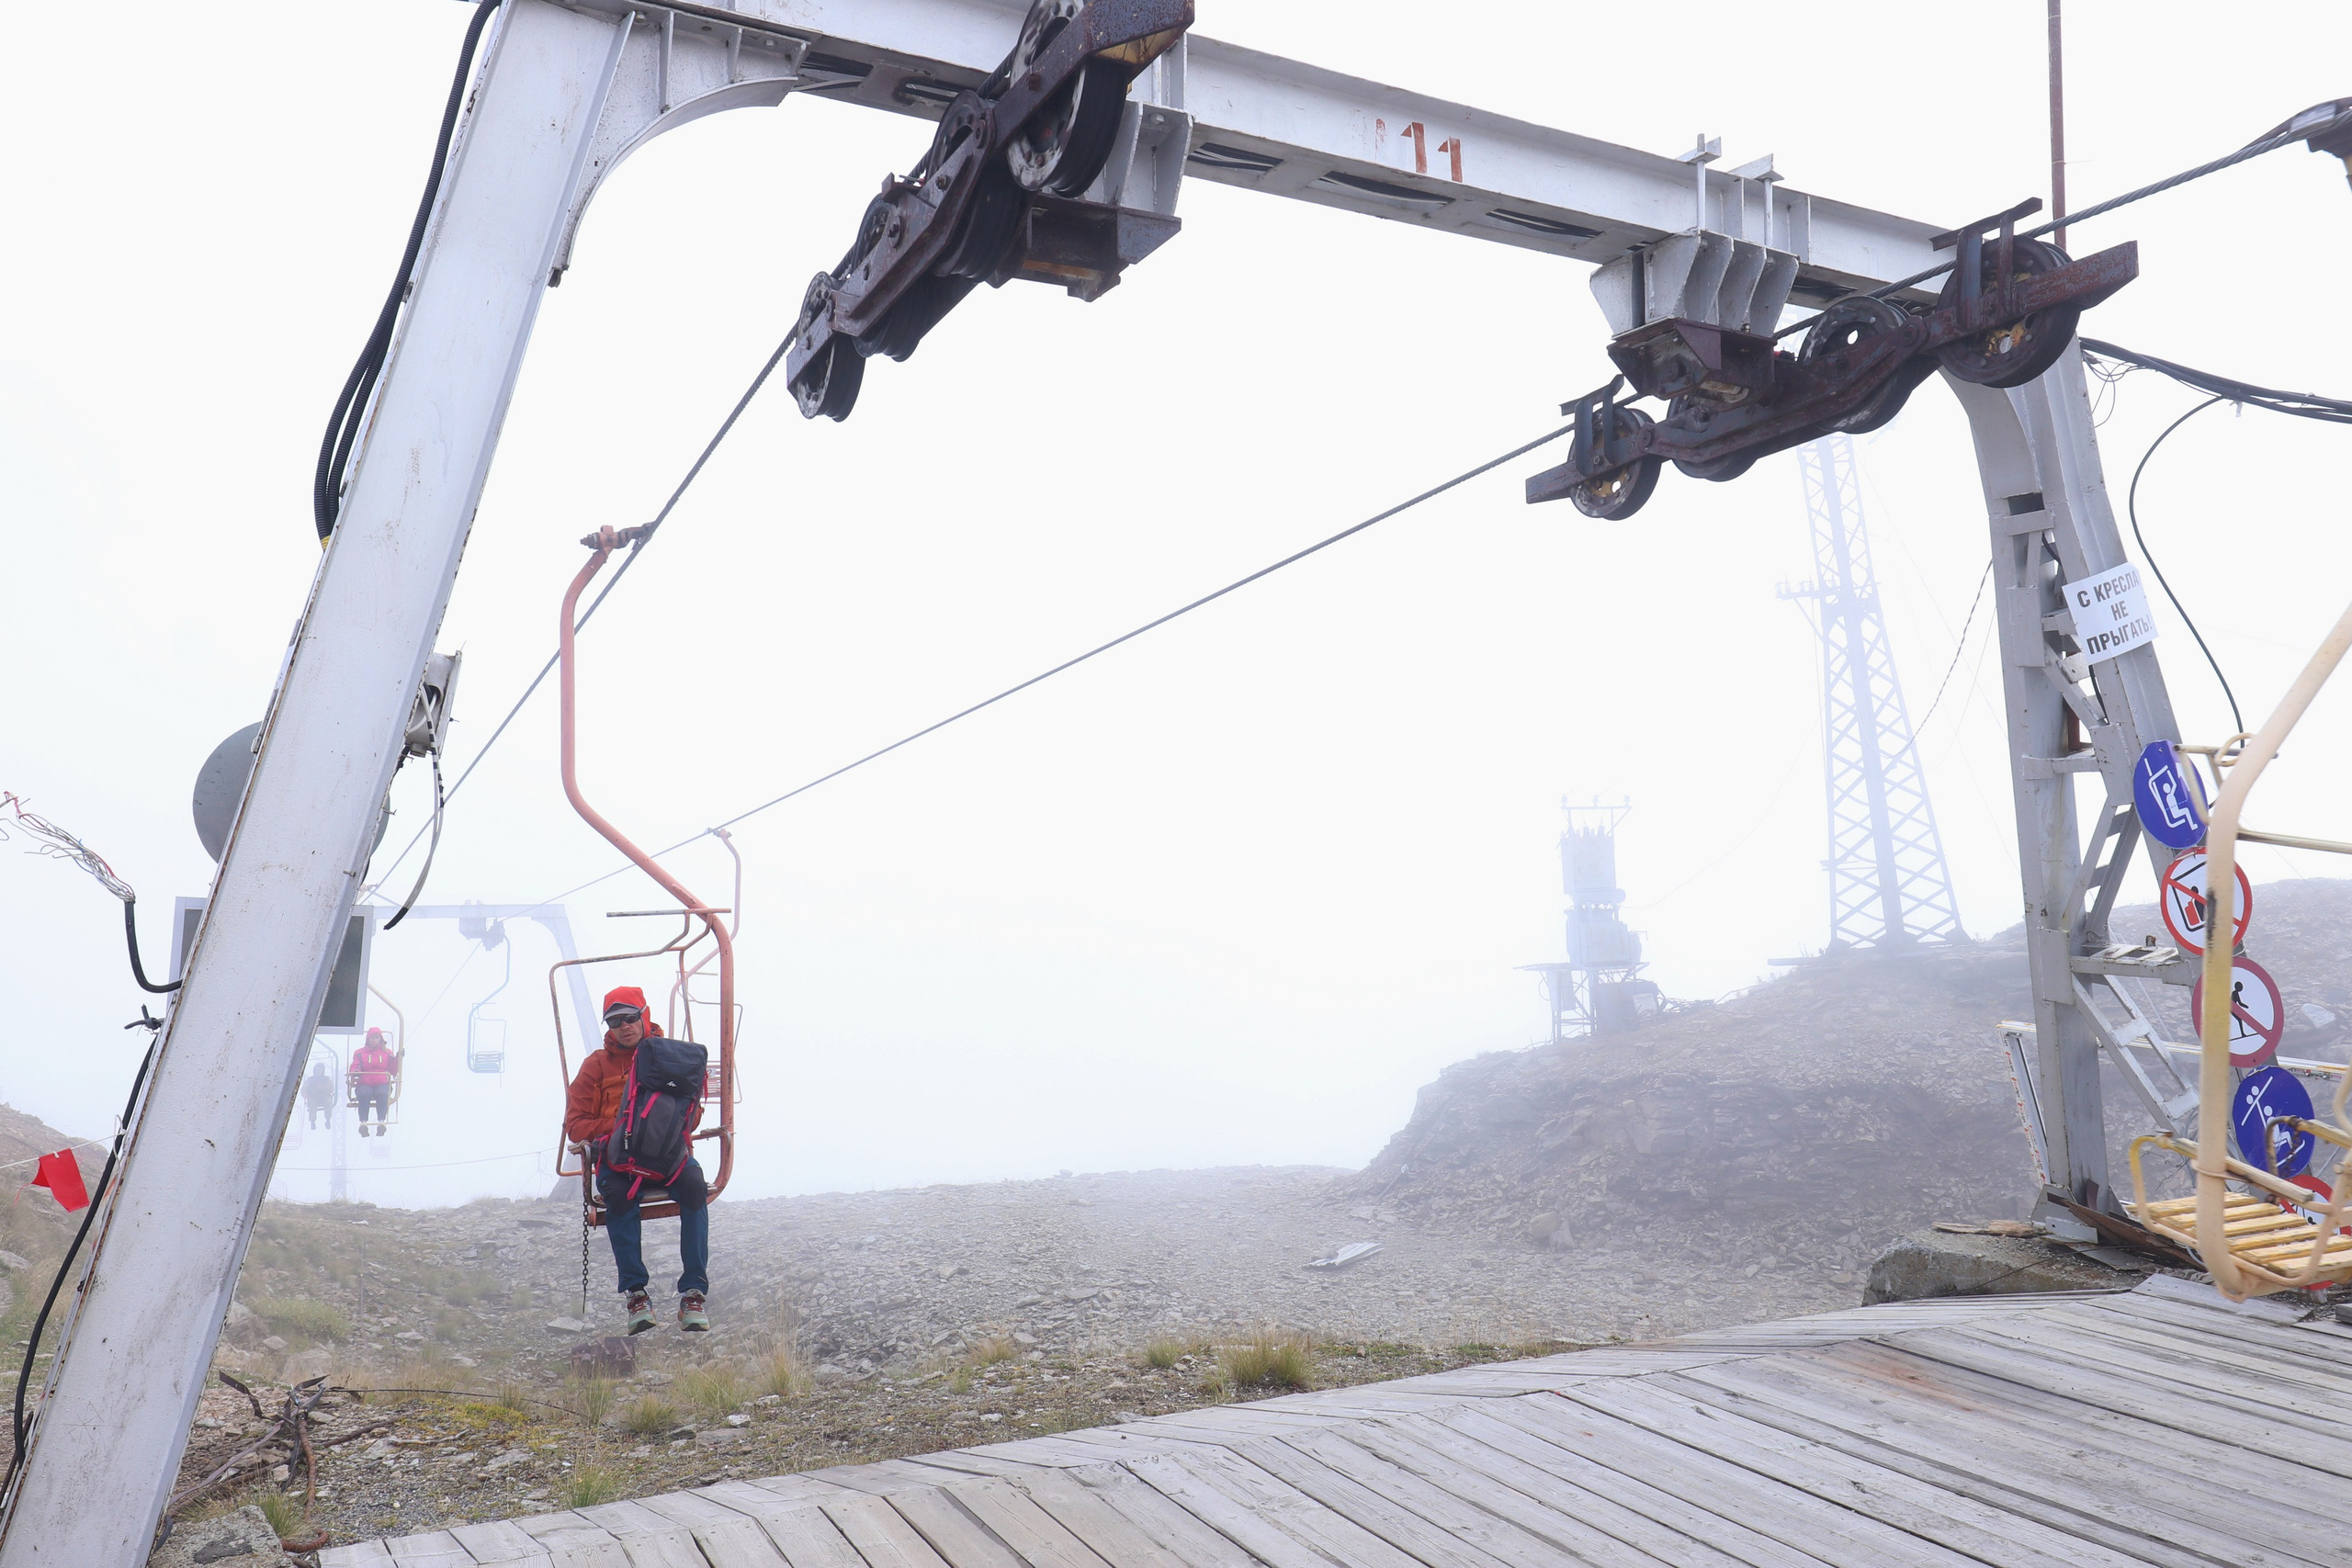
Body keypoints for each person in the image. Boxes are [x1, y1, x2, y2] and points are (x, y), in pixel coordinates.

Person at [564, 985, 709, 1334]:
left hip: (666, 1156)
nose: (624, 1026)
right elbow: (575, 1125)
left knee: (693, 1187)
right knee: (617, 1196)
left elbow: (693, 1113)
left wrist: (660, 1125)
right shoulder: (595, 1067)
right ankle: (636, 1293)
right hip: (618, 1160)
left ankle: (693, 1292)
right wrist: (623, 1128)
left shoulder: (671, 1055)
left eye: (630, 1017)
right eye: (615, 1021)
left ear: (644, 1015)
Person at [349, 1027, 400, 1137]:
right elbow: (355, 1065)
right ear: (368, 1039)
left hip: (382, 1081)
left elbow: (393, 1069)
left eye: (376, 1038)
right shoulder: (360, 1053)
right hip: (365, 1082)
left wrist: (398, 1059)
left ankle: (381, 1121)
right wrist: (355, 1071)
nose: (374, 1040)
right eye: (372, 1038)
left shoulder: (386, 1053)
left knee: (382, 1094)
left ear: (380, 1039)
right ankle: (363, 1122)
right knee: (364, 1094)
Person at [301, 1060, 334, 1130]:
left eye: (320, 1070)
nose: (318, 1071)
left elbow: (332, 1089)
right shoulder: (310, 1080)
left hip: (324, 1097)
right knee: (312, 1104)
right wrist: (305, 1094)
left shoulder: (326, 1079)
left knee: (329, 1102)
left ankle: (328, 1120)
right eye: (317, 1070)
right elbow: (304, 1088)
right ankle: (312, 1122)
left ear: (323, 1071)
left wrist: (324, 1087)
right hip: (314, 1097)